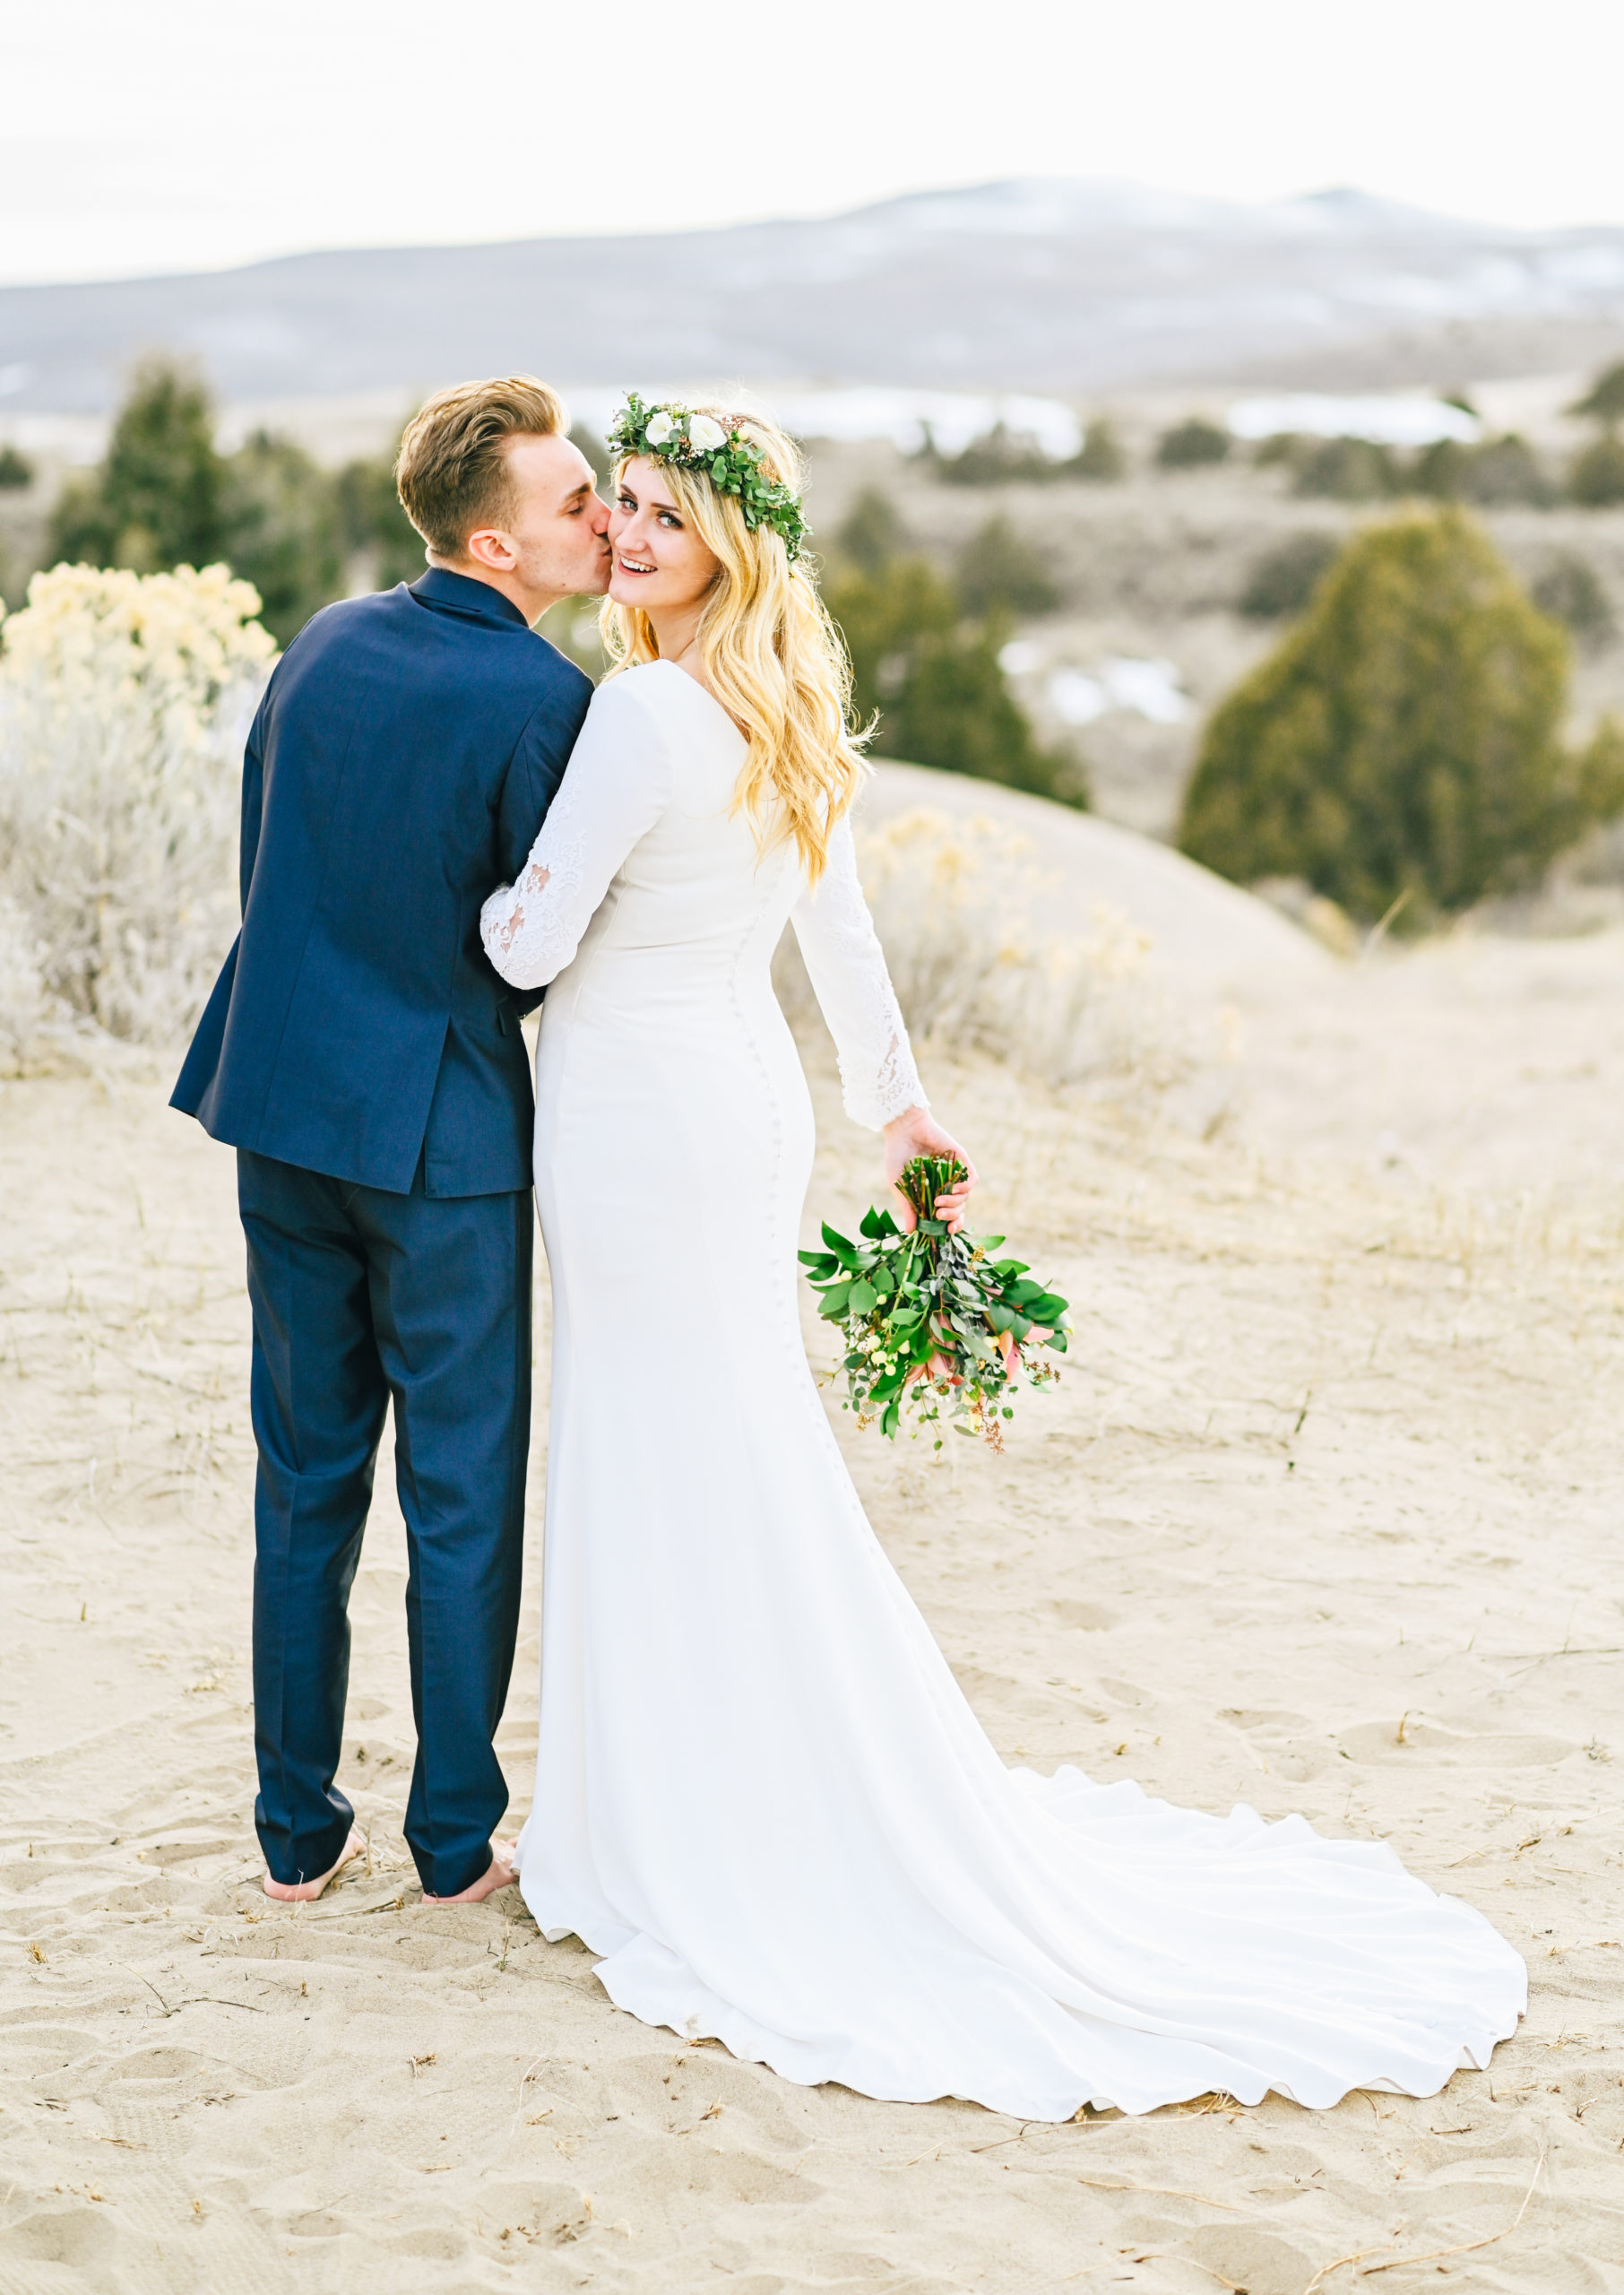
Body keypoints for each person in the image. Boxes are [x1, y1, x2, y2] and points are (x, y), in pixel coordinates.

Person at [478, 395, 1526, 2120]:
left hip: (638, 1122)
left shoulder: (648, 711)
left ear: (733, 541)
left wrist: (477, 906)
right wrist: (900, 1115)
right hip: (743, 1113)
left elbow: (533, 946)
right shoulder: (781, 707)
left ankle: (658, 1816)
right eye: (629, 508)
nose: (637, 537)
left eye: (667, 514)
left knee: (653, 1447)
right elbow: (844, 935)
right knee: (730, 1443)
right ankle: (723, 1777)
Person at [171, 376, 611, 1906]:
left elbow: (264, 858)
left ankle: (295, 1838)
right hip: (440, 1150)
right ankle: (448, 1844)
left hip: (280, 1109)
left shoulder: (322, 639)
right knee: (462, 1495)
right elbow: (529, 956)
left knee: (301, 1479)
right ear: (497, 547)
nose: (605, 516)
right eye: (575, 502)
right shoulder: (548, 708)